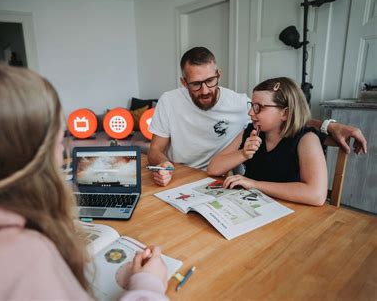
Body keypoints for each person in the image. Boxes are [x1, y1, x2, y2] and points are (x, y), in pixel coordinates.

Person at [0, 60, 168, 300]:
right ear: (39, 154)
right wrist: (147, 285)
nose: (63, 148)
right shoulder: (24, 259)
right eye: (59, 136)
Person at [148, 47, 367, 187]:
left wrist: (330, 125)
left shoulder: (241, 104)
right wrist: (164, 165)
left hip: (216, 180)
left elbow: (287, 116)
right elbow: (155, 150)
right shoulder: (169, 100)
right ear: (184, 82)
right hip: (179, 177)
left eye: (210, 81)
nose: (205, 90)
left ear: (218, 75)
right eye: (196, 84)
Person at [207, 77, 327, 206]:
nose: (250, 112)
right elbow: (213, 169)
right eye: (252, 106)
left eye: (259, 107)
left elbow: (316, 195)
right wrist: (243, 154)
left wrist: (254, 184)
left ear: (285, 113)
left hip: (291, 212)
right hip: (252, 205)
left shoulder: (306, 139)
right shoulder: (250, 131)